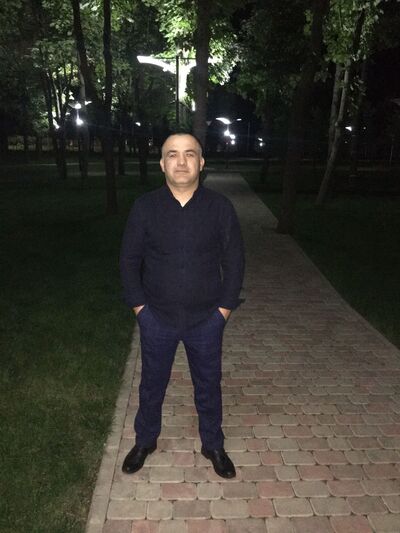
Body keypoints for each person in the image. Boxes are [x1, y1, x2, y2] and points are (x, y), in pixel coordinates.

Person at [119, 133, 244, 478]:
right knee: (151, 384)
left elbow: (234, 261)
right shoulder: (145, 207)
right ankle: (145, 440)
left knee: (208, 384)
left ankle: (213, 443)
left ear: (201, 163)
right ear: (162, 164)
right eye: (172, 154)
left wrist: (223, 311)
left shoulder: (219, 207)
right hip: (156, 317)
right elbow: (129, 260)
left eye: (190, 154)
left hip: (206, 319)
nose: (181, 161)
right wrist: (140, 309)